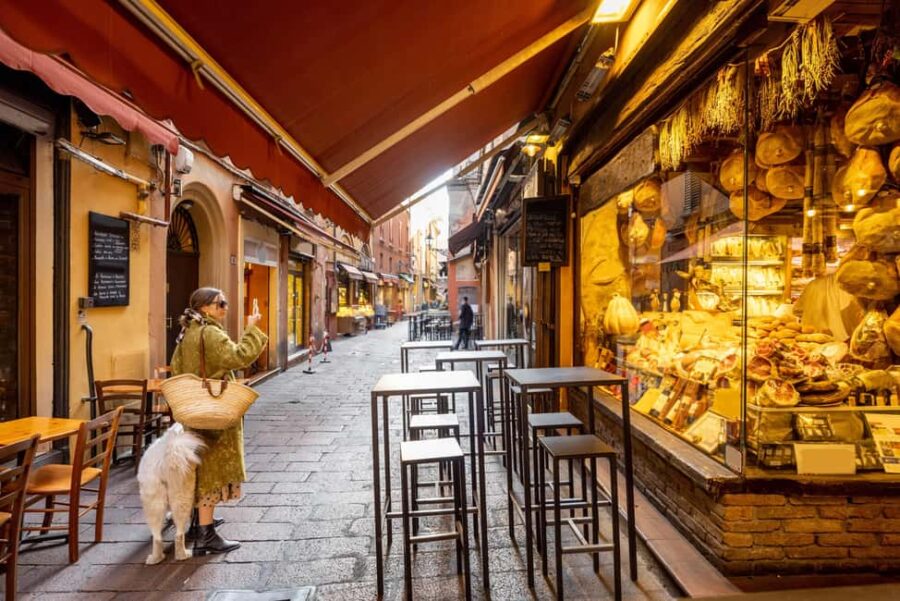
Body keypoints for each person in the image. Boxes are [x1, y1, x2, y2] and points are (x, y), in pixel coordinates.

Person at [171, 287, 268, 555]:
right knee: (212, 471)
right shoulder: (210, 333)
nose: (225, 307)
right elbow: (238, 357)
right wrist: (252, 329)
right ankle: (206, 533)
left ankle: (197, 524)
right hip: (214, 410)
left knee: (198, 467)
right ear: (205, 308)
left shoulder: (187, 333)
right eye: (220, 304)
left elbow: (176, 369)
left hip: (194, 408)